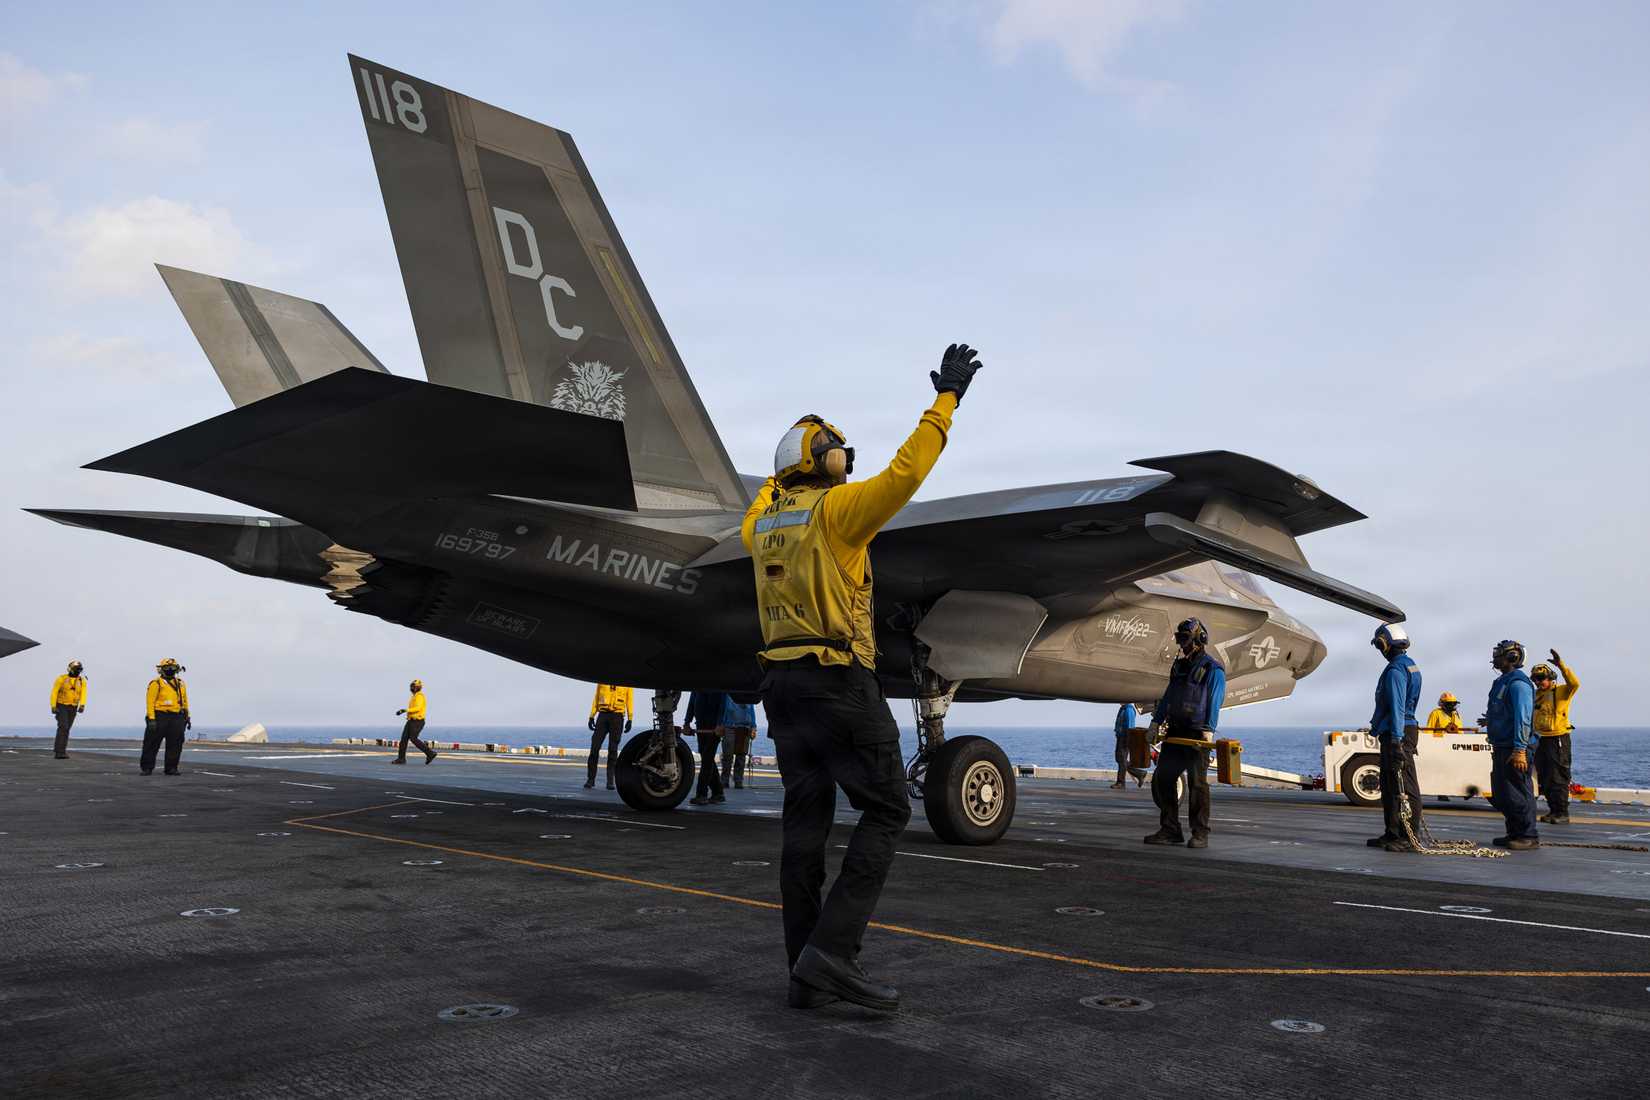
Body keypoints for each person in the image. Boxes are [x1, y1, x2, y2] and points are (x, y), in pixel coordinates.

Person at [742, 341, 983, 1013]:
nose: (849, 462)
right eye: (840, 453)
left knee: (805, 828)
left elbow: (771, 491)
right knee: (889, 808)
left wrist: (786, 466)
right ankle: (833, 954)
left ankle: (803, 970)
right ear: (821, 463)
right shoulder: (838, 513)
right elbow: (907, 472)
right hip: (839, 684)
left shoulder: (761, 525)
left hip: (781, 691)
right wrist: (947, 400)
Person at [1143, 618, 1227, 850]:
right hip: (1175, 732)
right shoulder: (1179, 667)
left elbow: (1215, 700)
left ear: (1200, 639)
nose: (1182, 644)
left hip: (1196, 736)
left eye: (1185, 639)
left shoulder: (1212, 669)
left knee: (1198, 785)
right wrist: (1155, 722)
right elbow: (1169, 696)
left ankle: (1200, 833)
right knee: (1163, 779)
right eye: (1180, 639)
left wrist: (1208, 731)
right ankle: (1170, 830)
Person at [1367, 624, 1425, 852]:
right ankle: (1392, 833)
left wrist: (1396, 740)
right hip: (1402, 729)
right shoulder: (1410, 666)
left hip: (1397, 731)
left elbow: (1397, 706)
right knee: (1391, 784)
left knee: (1404, 785)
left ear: (1384, 644)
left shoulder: (1395, 670)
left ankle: (1407, 837)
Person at [1484, 639, 1538, 849]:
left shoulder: (1518, 684)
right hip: (1501, 745)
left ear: (1513, 657)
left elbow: (1523, 718)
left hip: (1515, 747)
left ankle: (1528, 835)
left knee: (1518, 790)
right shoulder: (1502, 682)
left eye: (1500, 653)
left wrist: (1520, 749)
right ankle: (1514, 832)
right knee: (1504, 792)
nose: (1495, 656)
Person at [1531, 649, 1579, 825]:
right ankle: (1553, 810)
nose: (1538, 682)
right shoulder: (1536, 696)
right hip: (1540, 739)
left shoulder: (1561, 692)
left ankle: (1562, 812)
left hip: (1558, 738)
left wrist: (1561, 666)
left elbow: (1574, 684)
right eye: (1535, 679)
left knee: (1558, 776)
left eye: (1541, 678)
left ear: (1551, 678)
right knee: (1545, 776)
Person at [141, 658, 190, 776]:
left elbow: (184, 701)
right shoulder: (156, 683)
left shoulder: (180, 683)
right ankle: (147, 768)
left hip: (177, 716)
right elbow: (150, 702)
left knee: (176, 744)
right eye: (167, 668)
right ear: (161, 670)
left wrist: (187, 716)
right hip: (160, 715)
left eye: (173, 668)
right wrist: (151, 718)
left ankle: (171, 768)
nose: (170, 670)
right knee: (152, 743)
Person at [683, 690, 728, 805]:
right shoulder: (697, 686)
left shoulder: (720, 686)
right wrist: (687, 722)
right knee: (707, 758)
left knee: (707, 759)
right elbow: (692, 703)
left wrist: (720, 724)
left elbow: (723, 705)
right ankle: (718, 793)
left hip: (714, 729)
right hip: (701, 727)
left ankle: (701, 794)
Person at [586, 683, 633, 789]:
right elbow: (596, 697)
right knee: (594, 748)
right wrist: (592, 716)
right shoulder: (602, 679)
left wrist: (630, 718)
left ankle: (610, 781)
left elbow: (629, 699)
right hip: (602, 715)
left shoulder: (627, 682)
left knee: (613, 750)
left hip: (617, 717)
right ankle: (590, 779)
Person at [49, 659, 88, 759]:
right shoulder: (61, 679)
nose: (78, 672)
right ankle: (60, 752)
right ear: (70, 669)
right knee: (64, 727)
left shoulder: (82, 681)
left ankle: (60, 750)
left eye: (79, 670)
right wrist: (53, 706)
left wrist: (82, 705)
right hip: (61, 706)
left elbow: (83, 693)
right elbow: (54, 693)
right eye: (76, 669)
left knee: (66, 729)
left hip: (73, 706)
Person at [392, 678, 437, 765]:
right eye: (411, 686)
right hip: (411, 721)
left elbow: (418, 708)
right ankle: (401, 759)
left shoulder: (419, 696)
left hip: (417, 721)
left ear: (417, 687)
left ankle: (430, 753)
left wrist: (405, 710)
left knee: (413, 739)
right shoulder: (414, 696)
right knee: (404, 740)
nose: (411, 688)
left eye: (413, 686)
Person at [720, 695, 759, 789]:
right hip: (729, 726)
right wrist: (721, 724)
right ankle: (725, 780)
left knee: (741, 756)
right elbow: (722, 709)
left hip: (745, 727)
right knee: (727, 756)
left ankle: (738, 780)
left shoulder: (747, 693)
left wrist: (753, 726)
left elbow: (751, 710)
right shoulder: (727, 695)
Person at [1111, 702, 1146, 788]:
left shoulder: (1128, 709)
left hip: (1125, 738)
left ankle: (1121, 783)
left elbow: (1130, 726)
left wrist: (1127, 740)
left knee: (1122, 760)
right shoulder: (1123, 708)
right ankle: (1139, 773)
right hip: (1120, 737)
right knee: (1119, 759)